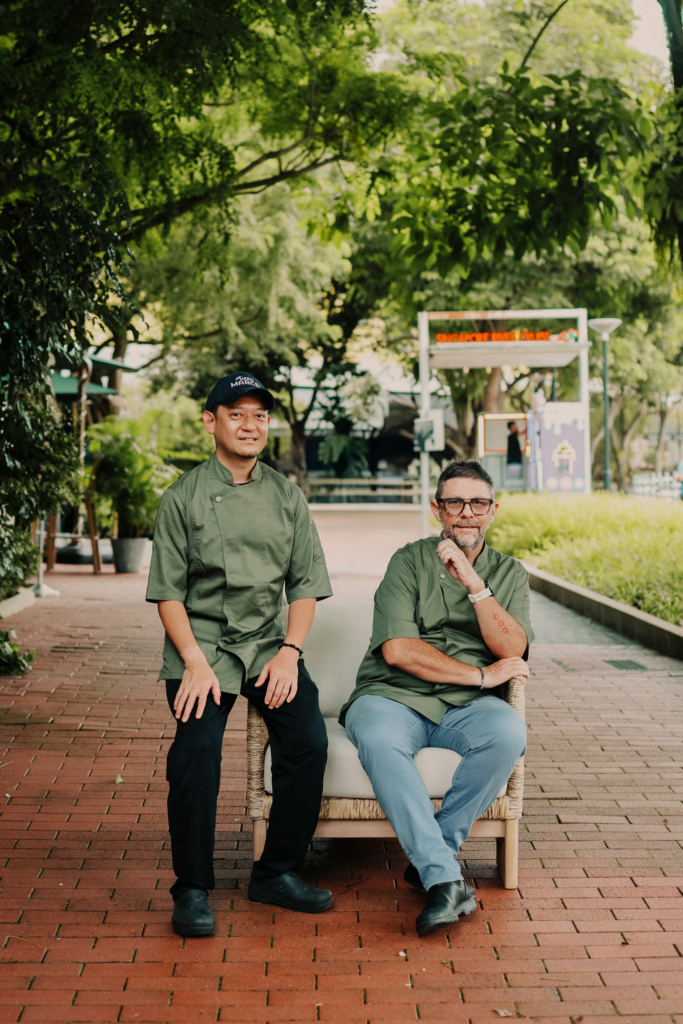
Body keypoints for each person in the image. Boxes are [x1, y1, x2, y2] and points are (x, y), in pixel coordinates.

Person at [146, 372, 333, 938]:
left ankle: (275, 872)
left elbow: (303, 588)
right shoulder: (183, 497)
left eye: (259, 416)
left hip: (267, 647)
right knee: (196, 751)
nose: (250, 426)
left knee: (307, 742)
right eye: (237, 414)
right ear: (211, 422)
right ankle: (192, 889)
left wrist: (289, 651)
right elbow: (168, 594)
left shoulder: (286, 496)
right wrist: (194, 662)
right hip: (200, 648)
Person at [340, 458, 532, 937]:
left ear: (493, 510)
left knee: (509, 732)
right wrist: (479, 676)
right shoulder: (408, 561)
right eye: (454, 502)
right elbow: (399, 650)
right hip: (393, 695)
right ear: (437, 509)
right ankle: (445, 878)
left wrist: (475, 585)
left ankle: (434, 856)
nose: (466, 512)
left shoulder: (509, 573)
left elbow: (513, 649)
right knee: (381, 742)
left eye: (478, 503)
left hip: (467, 708)